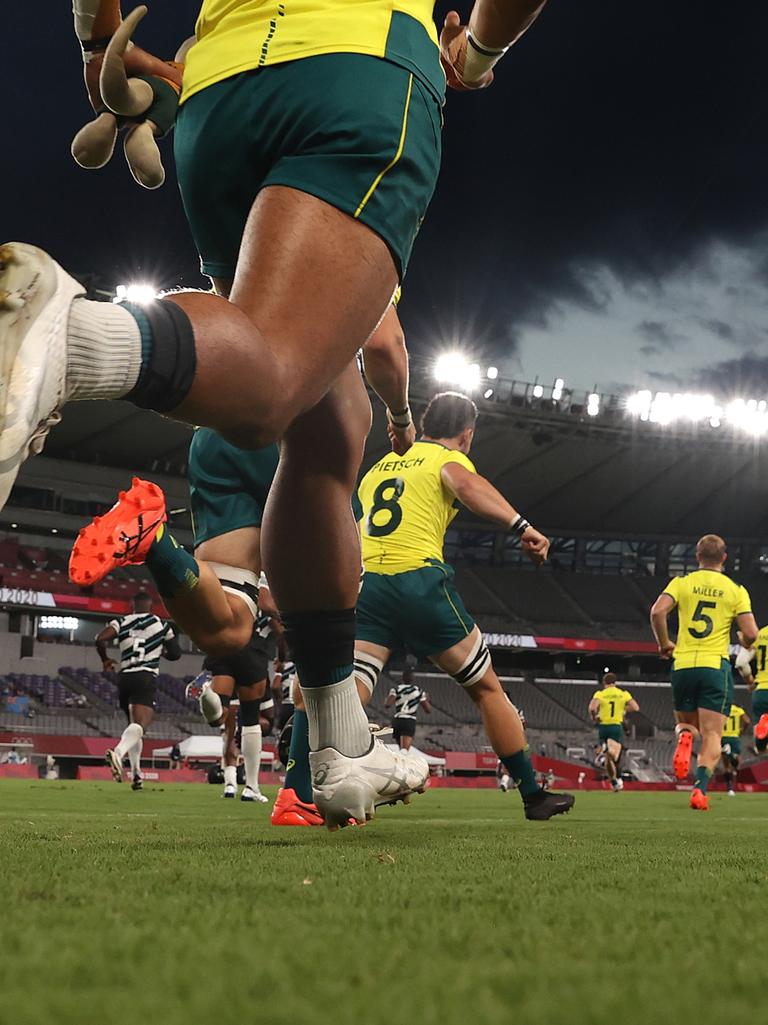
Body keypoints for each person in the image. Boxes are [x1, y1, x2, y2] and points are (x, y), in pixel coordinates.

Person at [1, 0, 548, 829]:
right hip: (358, 70)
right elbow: (389, 345)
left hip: (219, 93)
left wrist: (94, 37)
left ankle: (333, 742)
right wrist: (474, 54)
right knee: (280, 382)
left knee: (328, 428)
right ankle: (73, 338)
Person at [353, 391, 574, 820]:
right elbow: (464, 483)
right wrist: (521, 526)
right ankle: (532, 794)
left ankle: (306, 781)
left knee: (350, 691)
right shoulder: (444, 459)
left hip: (368, 585)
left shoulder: (378, 467)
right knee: (486, 688)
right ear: (467, 434)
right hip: (418, 581)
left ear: (424, 422)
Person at [650, 534, 758, 811]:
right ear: (724, 558)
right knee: (712, 735)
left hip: (684, 663)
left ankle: (685, 736)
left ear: (697, 557)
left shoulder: (682, 583)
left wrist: (664, 644)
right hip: (714, 667)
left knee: (687, 725)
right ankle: (699, 790)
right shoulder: (735, 590)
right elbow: (750, 634)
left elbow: (657, 612)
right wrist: (744, 642)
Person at [96, 590, 181, 789]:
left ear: (132, 605)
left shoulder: (122, 621)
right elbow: (176, 653)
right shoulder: (161, 624)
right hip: (145, 674)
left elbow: (100, 639)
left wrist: (106, 659)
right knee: (142, 723)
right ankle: (118, 753)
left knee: (133, 727)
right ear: (150, 606)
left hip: (124, 677)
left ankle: (136, 775)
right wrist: (162, 651)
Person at [588, 673, 639, 793]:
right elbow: (636, 708)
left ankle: (614, 782)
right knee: (615, 756)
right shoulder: (623, 694)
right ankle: (606, 750)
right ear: (615, 682)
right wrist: (622, 709)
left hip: (603, 727)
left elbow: (592, 707)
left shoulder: (600, 694)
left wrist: (594, 717)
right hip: (616, 726)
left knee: (608, 759)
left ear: (604, 683)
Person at [737, 623, 768, 754]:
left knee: (761, 751)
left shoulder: (760, 633)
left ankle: (761, 743)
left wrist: (750, 682)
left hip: (760, 691)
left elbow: (741, 662)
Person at [384, 667, 432, 751]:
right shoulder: (418, 691)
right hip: (409, 721)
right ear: (413, 678)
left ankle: (399, 763)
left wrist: (389, 698)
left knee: (401, 749)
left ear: (402, 678)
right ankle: (401, 763)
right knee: (404, 751)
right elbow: (428, 710)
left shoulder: (396, 689)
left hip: (397, 721)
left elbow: (387, 704)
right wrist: (427, 700)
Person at [719, 702, 749, 796]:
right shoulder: (738, 710)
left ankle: (730, 789)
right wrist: (742, 731)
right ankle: (731, 755)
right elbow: (747, 721)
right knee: (736, 764)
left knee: (726, 766)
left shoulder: (720, 709)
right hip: (734, 738)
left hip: (723, 737)